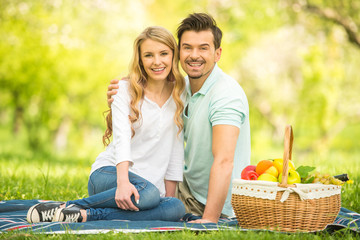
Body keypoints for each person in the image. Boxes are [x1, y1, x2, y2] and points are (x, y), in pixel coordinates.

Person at [26, 26, 186, 223]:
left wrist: (169, 197)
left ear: (173, 55)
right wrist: (123, 182)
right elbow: (122, 140)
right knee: (150, 194)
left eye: (163, 54)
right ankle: (69, 206)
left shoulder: (181, 94)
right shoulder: (124, 90)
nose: (157, 61)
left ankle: (83, 214)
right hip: (109, 175)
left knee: (176, 207)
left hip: (147, 190)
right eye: (148, 55)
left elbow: (176, 149)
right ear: (140, 60)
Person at [107, 13, 251, 224]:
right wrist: (121, 90)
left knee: (157, 203)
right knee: (148, 194)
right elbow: (147, 87)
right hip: (187, 188)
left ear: (217, 54)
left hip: (212, 202)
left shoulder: (225, 95)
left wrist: (209, 219)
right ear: (178, 53)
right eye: (187, 48)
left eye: (203, 48)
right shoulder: (181, 88)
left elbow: (224, 161)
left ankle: (81, 211)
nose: (194, 55)